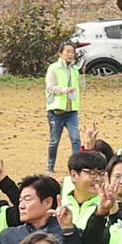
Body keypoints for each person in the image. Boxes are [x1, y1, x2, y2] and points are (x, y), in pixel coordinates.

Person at [44, 40, 84, 169]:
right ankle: (50, 165)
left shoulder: (74, 69)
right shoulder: (53, 68)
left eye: (72, 52)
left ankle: (76, 166)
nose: (70, 54)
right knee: (54, 140)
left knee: (75, 138)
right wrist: (64, 90)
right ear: (60, 53)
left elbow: (81, 87)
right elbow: (50, 87)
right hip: (56, 110)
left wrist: (82, 74)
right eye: (67, 51)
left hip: (71, 110)